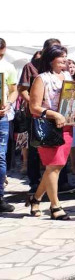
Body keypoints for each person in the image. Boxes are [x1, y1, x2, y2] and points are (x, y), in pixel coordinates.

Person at [28, 45, 75, 220]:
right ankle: (55, 206)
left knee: (57, 166)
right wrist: (54, 114)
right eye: (61, 57)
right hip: (48, 127)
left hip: (67, 126)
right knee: (53, 166)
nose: (65, 59)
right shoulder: (42, 79)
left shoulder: (68, 76)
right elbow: (34, 107)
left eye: (65, 56)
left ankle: (36, 198)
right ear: (51, 59)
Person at [0, 38, 19, 213]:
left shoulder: (8, 67)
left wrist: (8, 104)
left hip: (1, 117)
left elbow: (14, 90)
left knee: (0, 157)